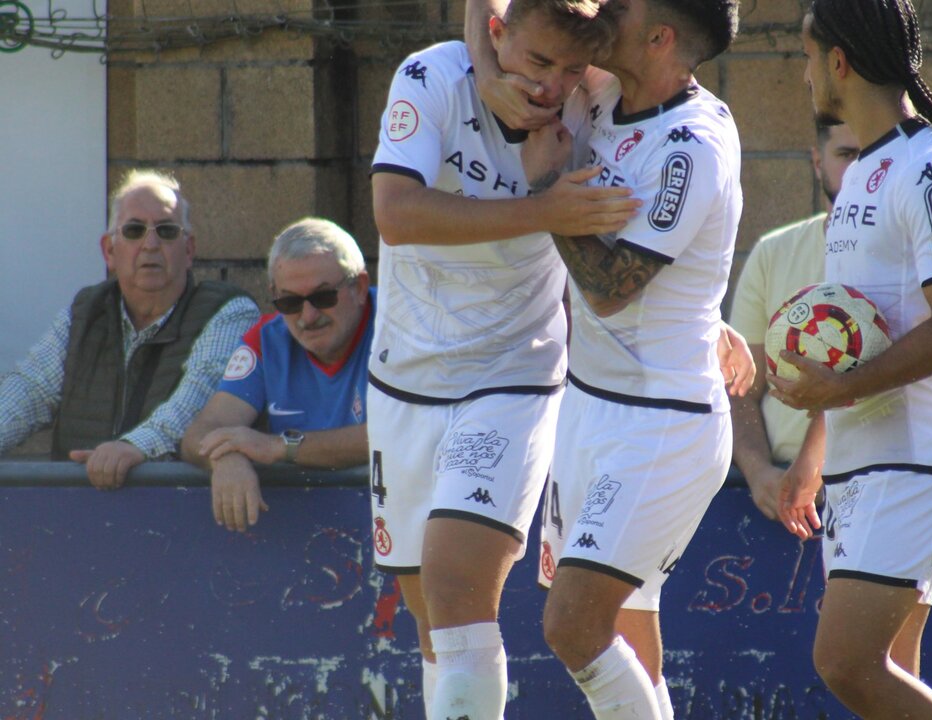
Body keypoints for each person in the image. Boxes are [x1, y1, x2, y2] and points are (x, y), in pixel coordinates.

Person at [469, 1, 742, 718]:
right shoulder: (599, 86)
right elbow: (494, 15)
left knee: (572, 625)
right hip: (590, 406)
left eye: (621, 6)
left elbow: (613, 290)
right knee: (627, 626)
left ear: (661, 37)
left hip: (663, 424)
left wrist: (546, 195)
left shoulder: (692, 144)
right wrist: (483, 66)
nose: (601, 7)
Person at [366, 4, 633, 719]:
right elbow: (396, 213)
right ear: (496, 33)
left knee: (457, 588)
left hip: (515, 373)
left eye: (570, 70)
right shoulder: (430, 76)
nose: (553, 85)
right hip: (406, 377)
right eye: (537, 63)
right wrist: (544, 210)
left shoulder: (598, 94)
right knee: (432, 624)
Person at [768, 1, 932, 717]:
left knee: (844, 662)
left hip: (917, 460)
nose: (804, 75)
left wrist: (839, 389)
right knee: (894, 670)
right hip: (863, 461)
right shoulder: (864, 173)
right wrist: (815, 447)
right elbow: (860, 333)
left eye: (808, 57)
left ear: (837, 61)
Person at [0, 170, 258, 487]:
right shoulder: (85, 312)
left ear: (188, 250)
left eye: (166, 231)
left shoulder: (229, 312)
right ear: (109, 250)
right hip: (78, 518)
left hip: (181, 520)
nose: (150, 244)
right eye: (134, 230)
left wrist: (132, 448)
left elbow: (195, 402)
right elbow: (28, 390)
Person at [180, 218, 375, 532]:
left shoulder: (398, 329)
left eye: (323, 297)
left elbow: (401, 434)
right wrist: (225, 457)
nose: (308, 317)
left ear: (360, 287)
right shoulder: (267, 339)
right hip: (309, 534)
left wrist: (281, 447)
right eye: (290, 302)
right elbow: (201, 432)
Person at [728, 121, 859, 520]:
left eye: (869, 155)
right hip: (775, 495)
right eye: (846, 154)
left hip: (867, 485)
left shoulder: (901, 255)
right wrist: (758, 472)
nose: (859, 168)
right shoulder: (773, 253)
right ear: (818, 162)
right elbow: (738, 388)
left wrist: (813, 462)